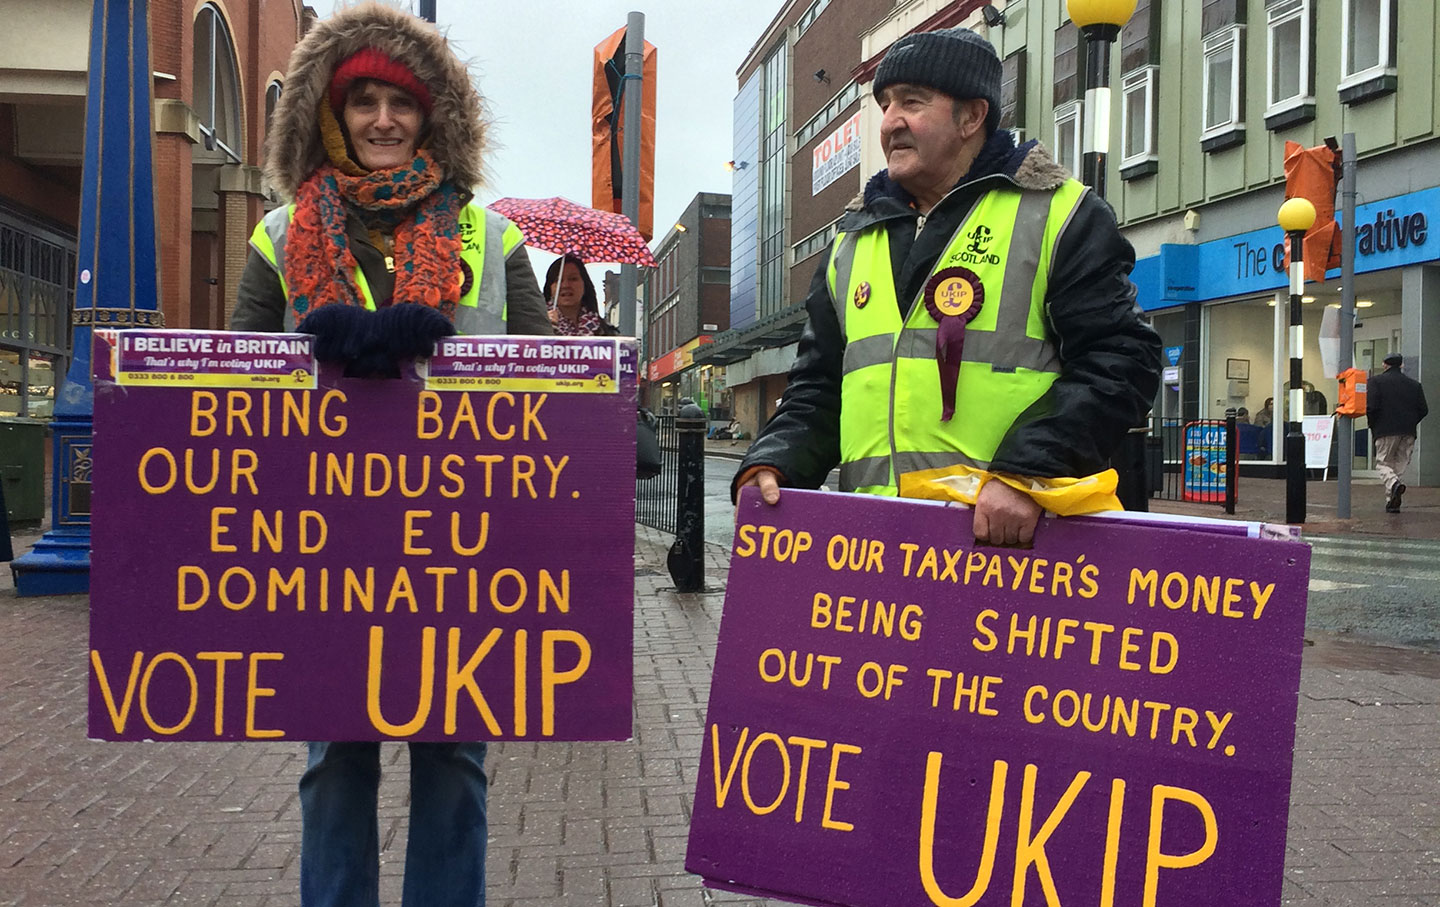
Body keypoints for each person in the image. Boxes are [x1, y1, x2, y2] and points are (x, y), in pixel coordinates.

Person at [228, 5, 551, 905]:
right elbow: (235, 394)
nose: (380, 120)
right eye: (360, 99)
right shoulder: (278, 236)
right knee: (334, 761)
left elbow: (546, 392)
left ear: (430, 117)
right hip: (320, 549)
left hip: (462, 548)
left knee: (453, 760)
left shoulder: (491, 239)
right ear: (329, 114)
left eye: (399, 103)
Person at [733, 26, 1159, 546]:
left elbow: (1122, 359)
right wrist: (775, 461)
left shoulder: (1061, 214)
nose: (890, 122)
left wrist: (1028, 471)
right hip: (875, 549)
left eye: (912, 102)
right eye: (885, 104)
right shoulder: (851, 239)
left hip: (1005, 548)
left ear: (972, 117)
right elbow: (818, 387)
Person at [1367, 353, 1429, 513]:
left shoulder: (1375, 382)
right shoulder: (1414, 385)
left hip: (1385, 430)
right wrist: (1410, 422)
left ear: (1384, 364)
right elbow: (1424, 409)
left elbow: (1372, 407)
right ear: (1401, 365)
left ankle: (1394, 486)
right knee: (1398, 466)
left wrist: (1373, 424)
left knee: (1383, 463)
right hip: (1408, 431)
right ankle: (1392, 500)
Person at [543, 254, 619, 335]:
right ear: (549, 288)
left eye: (573, 279)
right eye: (558, 280)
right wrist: (544, 329)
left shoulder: (604, 331)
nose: (565, 285)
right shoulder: (536, 325)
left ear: (584, 285)